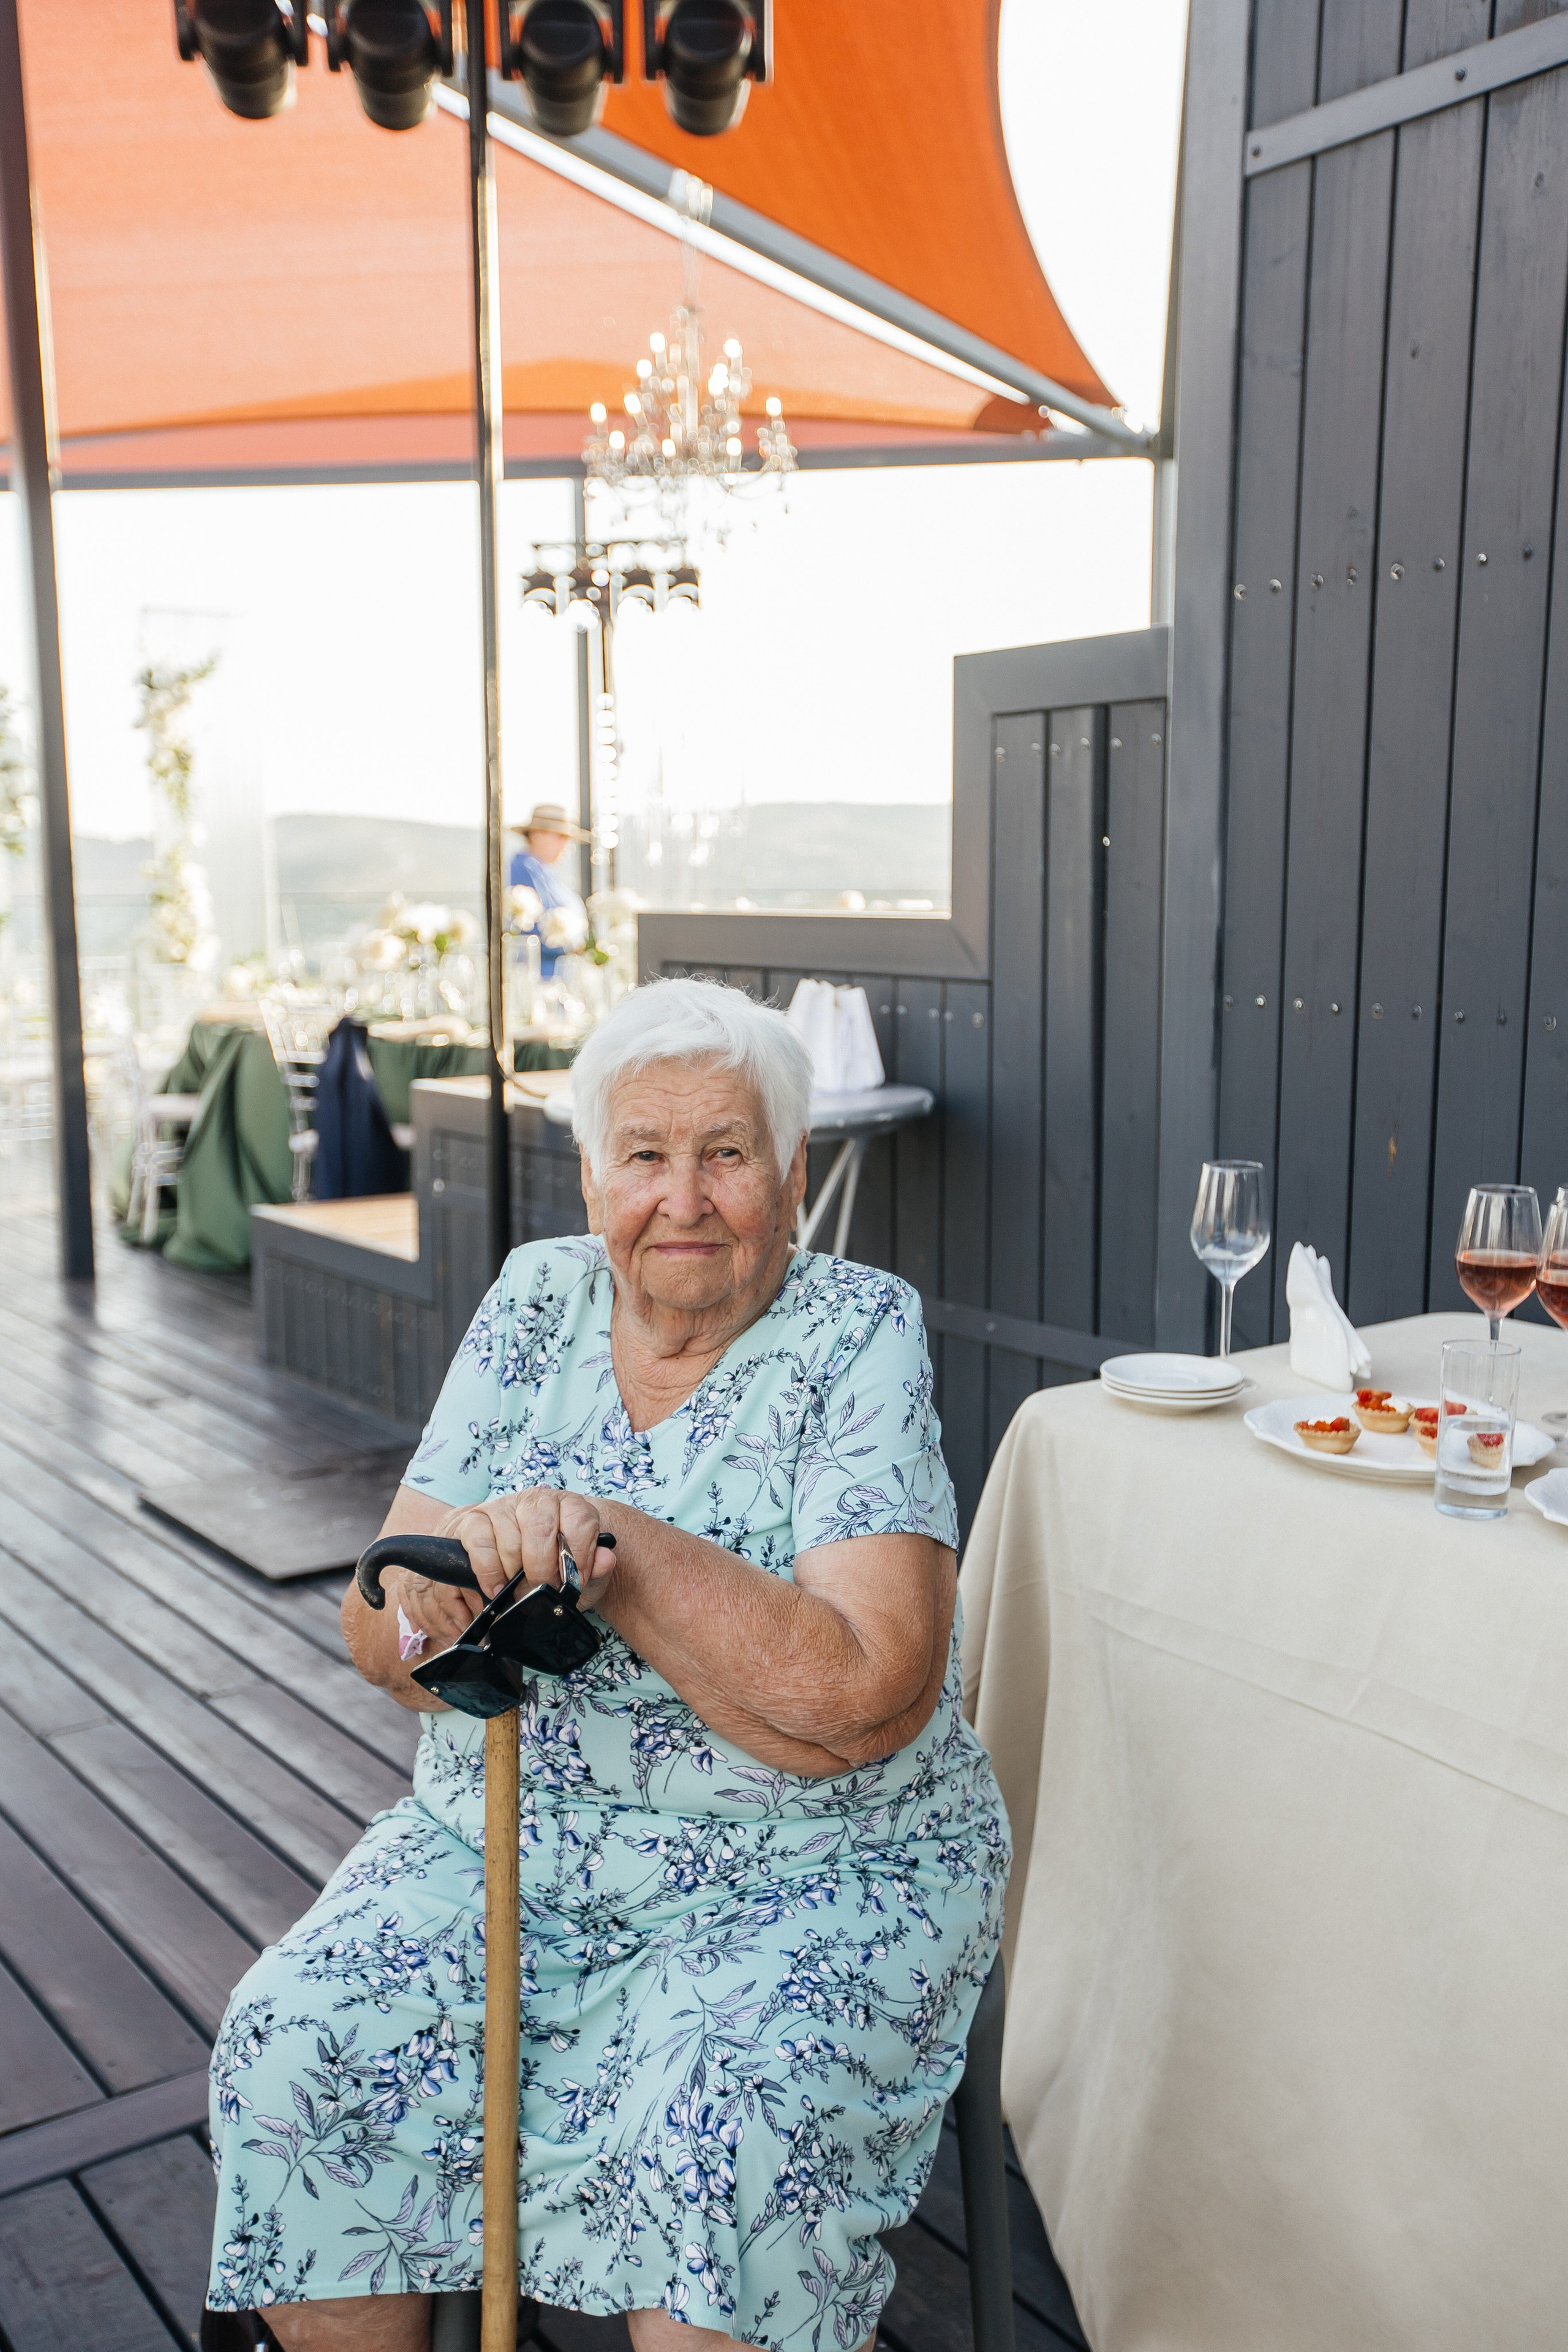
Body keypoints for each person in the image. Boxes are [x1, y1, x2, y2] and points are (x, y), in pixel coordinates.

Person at [204, 978, 1009, 2352]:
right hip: (508, 1842)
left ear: (793, 1175)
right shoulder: (535, 1301)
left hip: (812, 1872)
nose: (681, 1198)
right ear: (590, 1178)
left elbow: (870, 1692)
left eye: (727, 1153)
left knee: (725, 2127)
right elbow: (376, 1630)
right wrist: (446, 1607)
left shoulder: (853, 1330)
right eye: (643, 1155)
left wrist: (616, 1551)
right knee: (297, 2040)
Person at [509, 801, 590, 976]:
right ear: (537, 834)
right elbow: (539, 929)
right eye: (561, 837)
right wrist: (574, 943)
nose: (568, 845)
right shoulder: (523, 869)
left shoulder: (544, 872)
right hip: (540, 979)